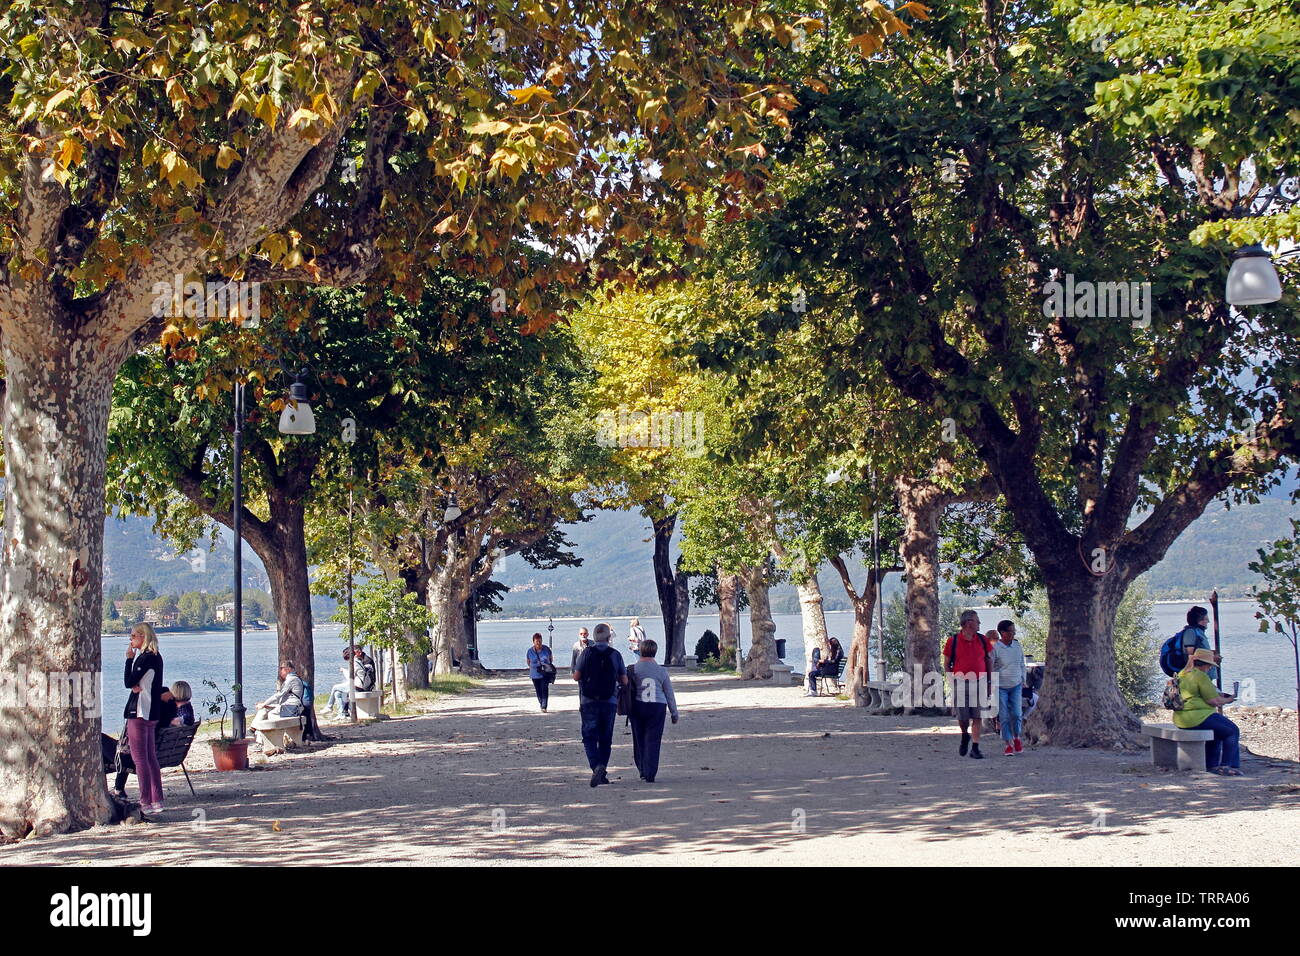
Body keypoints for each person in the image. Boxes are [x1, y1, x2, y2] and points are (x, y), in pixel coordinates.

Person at [572, 622, 629, 787]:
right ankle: (602, 769)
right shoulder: (615, 654)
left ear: (593, 637)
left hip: (588, 700)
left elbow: (576, 676)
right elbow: (624, 679)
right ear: (609, 637)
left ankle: (596, 766)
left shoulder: (586, 653)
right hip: (609, 700)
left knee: (589, 737)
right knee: (605, 738)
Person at [1175, 648, 1242, 775]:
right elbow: (1214, 701)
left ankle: (1212, 765)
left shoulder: (1183, 673)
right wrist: (1229, 700)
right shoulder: (1200, 676)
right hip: (1198, 717)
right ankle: (1227, 765)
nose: (1210, 668)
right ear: (1205, 665)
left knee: (1216, 732)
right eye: (1210, 665)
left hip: (1181, 718)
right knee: (1232, 731)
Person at [123, 623, 167, 813]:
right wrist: (135, 684)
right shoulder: (157, 657)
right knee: (150, 757)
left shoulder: (144, 659)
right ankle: (157, 799)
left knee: (140, 758)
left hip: (140, 711)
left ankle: (146, 801)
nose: (130, 640)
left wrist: (129, 660)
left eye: (133, 636)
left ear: (142, 636)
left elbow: (128, 681)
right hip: (152, 712)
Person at [942, 610, 995, 759]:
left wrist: (990, 681)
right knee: (963, 716)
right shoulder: (953, 641)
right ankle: (965, 734)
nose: (979, 624)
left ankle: (975, 747)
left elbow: (988, 661)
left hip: (980, 682)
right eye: (977, 621)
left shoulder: (983, 640)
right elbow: (947, 664)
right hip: (960, 683)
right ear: (968, 623)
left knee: (978, 716)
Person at [627, 639, 679, 783]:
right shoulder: (661, 671)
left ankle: (642, 770)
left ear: (641, 651)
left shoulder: (633, 669)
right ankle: (650, 772)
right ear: (655, 652)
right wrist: (674, 713)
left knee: (639, 739)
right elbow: (669, 693)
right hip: (657, 707)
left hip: (637, 706)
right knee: (653, 740)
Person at [991, 620, 1026, 755]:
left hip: (1016, 684)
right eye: (1011, 631)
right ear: (1003, 633)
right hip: (1000, 686)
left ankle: (1017, 737)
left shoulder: (1017, 646)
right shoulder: (996, 649)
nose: (1013, 633)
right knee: (1004, 716)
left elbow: (1021, 663)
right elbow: (991, 666)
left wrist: (1023, 680)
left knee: (1017, 714)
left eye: (1014, 631)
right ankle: (1007, 743)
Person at [1179, 606, 1220, 682]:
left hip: (1203, 675)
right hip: (1197, 676)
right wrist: (1212, 659)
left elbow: (1198, 651)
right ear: (1200, 620)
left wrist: (1211, 654)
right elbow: (1190, 656)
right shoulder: (1190, 632)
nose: (1208, 621)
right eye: (1206, 618)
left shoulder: (1198, 632)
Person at [526, 633, 556, 712]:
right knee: (538, 690)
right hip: (535, 674)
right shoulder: (530, 651)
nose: (538, 643)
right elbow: (528, 662)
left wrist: (545, 666)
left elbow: (550, 659)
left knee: (544, 688)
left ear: (542, 640)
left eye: (540, 641)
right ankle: (541, 703)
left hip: (544, 673)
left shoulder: (546, 649)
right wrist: (535, 666)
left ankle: (544, 706)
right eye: (536, 641)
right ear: (533, 642)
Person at [324, 648, 356, 719]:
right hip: (353, 683)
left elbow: (350, 677)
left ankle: (329, 706)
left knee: (335, 687)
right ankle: (341, 714)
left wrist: (344, 670)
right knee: (337, 693)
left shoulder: (354, 663)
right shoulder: (353, 662)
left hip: (353, 685)